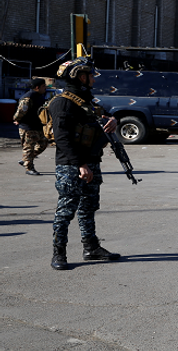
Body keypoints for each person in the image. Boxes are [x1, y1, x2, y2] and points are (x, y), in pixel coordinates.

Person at [49, 58, 121, 271]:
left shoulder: (86, 100)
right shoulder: (63, 102)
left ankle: (91, 248)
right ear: (81, 77)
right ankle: (58, 252)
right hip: (72, 165)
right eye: (90, 75)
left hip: (91, 162)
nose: (93, 79)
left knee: (88, 207)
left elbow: (103, 118)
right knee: (66, 209)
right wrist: (80, 164)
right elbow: (61, 138)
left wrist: (113, 120)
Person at [12, 78, 49, 175]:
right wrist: (17, 119)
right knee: (29, 148)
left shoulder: (40, 96)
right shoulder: (28, 98)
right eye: (43, 86)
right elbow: (21, 111)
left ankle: (25, 160)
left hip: (38, 126)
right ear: (37, 87)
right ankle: (29, 168)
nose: (45, 87)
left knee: (43, 143)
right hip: (28, 127)